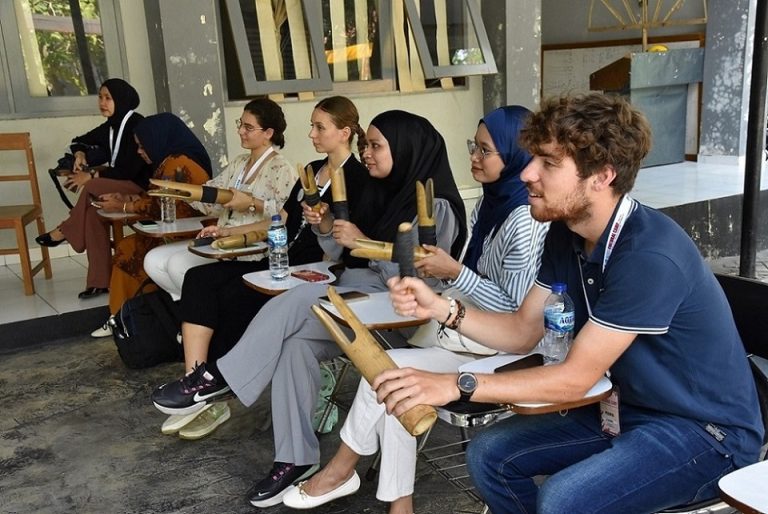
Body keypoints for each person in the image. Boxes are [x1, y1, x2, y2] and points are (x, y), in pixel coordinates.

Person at [370, 93, 763, 514]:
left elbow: (575, 378)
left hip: (705, 434)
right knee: (490, 454)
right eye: (533, 157)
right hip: (628, 409)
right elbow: (522, 331)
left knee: (563, 498)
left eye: (549, 163)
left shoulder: (648, 253)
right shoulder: (566, 230)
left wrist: (455, 384)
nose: (529, 173)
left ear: (602, 176)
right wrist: (442, 309)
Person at [151, 110, 468, 508]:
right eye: (366, 144)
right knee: (294, 344)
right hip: (361, 296)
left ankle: (219, 377)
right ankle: (294, 459)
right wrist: (326, 228)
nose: (366, 153)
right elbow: (342, 253)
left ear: (406, 149)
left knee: (300, 298)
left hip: (403, 311)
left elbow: (415, 277)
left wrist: (360, 240)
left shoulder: (435, 205)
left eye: (375, 146)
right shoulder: (384, 191)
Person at [282, 105, 550, 514]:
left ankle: (342, 470)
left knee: (392, 375)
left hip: (511, 352)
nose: (473, 158)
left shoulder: (524, 220)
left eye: (485, 151)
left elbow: (516, 311)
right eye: (472, 147)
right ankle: (398, 504)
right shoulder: (491, 205)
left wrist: (454, 273)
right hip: (471, 336)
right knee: (393, 375)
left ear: (516, 154)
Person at [150, 96, 370, 436]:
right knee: (200, 279)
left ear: (344, 133)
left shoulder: (357, 179)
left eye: (319, 127)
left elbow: (347, 242)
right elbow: (278, 220)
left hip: (312, 268)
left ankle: (212, 391)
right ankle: (195, 381)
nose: (311, 133)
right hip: (280, 258)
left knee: (234, 299)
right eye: (312, 126)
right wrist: (228, 230)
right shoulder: (311, 171)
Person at [142, 98, 296, 301]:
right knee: (153, 260)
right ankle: (192, 312)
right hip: (222, 238)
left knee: (176, 265)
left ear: (268, 133)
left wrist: (251, 203)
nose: (241, 131)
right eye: (240, 124)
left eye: (248, 127)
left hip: (251, 247)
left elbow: (288, 215)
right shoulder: (239, 163)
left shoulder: (282, 168)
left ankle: (199, 314)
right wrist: (181, 191)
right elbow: (212, 200)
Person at [89, 112, 213, 337]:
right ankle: (122, 316)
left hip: (188, 232)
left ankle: (126, 317)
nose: (139, 151)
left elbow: (164, 207)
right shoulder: (169, 159)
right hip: (172, 229)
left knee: (129, 249)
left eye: (142, 146)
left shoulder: (178, 163)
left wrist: (124, 207)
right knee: (128, 247)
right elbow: (159, 199)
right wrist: (127, 200)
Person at [35, 78, 152, 299]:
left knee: (92, 185)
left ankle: (65, 231)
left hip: (139, 186)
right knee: (91, 213)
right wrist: (80, 153)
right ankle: (99, 282)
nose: (102, 102)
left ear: (121, 99)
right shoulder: (111, 126)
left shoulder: (137, 124)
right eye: (100, 97)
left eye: (108, 98)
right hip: (118, 181)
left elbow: (129, 169)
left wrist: (91, 175)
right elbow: (79, 140)